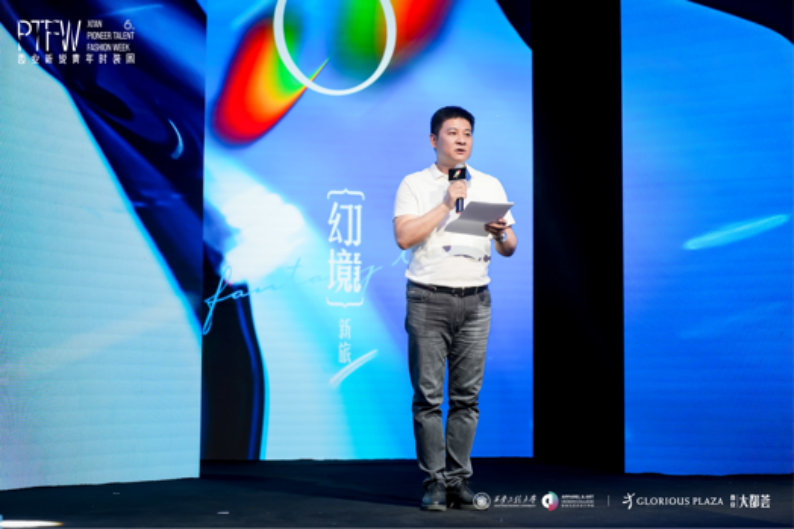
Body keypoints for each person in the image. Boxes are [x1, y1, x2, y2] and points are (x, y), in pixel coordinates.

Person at [393, 106, 517, 511]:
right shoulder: (414, 183)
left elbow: (510, 247)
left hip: (476, 300)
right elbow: (403, 237)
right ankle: (434, 482)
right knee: (428, 397)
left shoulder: (490, 184)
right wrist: (447, 202)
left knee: (467, 398)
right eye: (452, 132)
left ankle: (458, 479)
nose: (461, 139)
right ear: (434, 140)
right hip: (428, 299)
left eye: (467, 133)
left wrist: (500, 234)